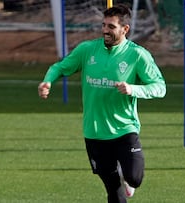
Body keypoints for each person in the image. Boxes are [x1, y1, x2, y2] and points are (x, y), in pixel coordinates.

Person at [38, 4, 166, 203]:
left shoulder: (137, 55)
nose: (105, 30)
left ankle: (127, 177)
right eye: (104, 25)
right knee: (113, 191)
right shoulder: (87, 50)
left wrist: (134, 89)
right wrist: (48, 80)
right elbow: (60, 67)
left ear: (125, 29)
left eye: (111, 27)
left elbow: (160, 87)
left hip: (125, 129)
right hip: (94, 132)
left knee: (135, 178)